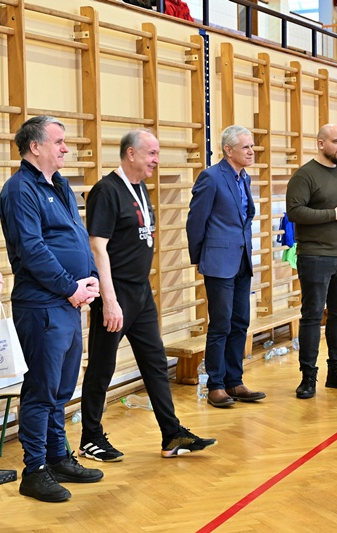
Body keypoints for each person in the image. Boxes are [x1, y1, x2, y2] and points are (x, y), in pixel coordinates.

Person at [80, 129, 216, 461]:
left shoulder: (140, 187)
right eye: (151, 153)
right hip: (115, 293)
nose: (156, 160)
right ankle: (90, 437)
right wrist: (109, 300)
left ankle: (171, 433)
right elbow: (97, 247)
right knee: (102, 366)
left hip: (140, 292)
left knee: (155, 362)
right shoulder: (106, 191)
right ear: (131, 154)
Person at [0, 115, 103, 503]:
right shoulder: (19, 189)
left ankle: (58, 457)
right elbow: (32, 249)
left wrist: (90, 279)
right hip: (42, 305)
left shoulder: (60, 184)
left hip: (68, 302)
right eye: (58, 142)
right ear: (35, 146)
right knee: (41, 390)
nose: (65, 148)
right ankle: (35, 469)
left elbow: (77, 236)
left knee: (60, 388)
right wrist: (70, 287)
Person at [186, 125, 266, 408]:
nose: (251, 151)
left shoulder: (244, 177)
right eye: (246, 147)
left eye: (252, 146)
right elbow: (196, 221)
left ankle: (235, 381)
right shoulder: (211, 177)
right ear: (228, 150)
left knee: (240, 321)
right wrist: (200, 257)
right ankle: (216, 385)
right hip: (219, 262)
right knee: (220, 324)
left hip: (242, 260)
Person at [286, 124, 337, 400]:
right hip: (315, 256)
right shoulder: (305, 175)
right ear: (321, 144)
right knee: (312, 316)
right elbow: (295, 212)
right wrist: (334, 214)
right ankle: (308, 377)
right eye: (336, 141)